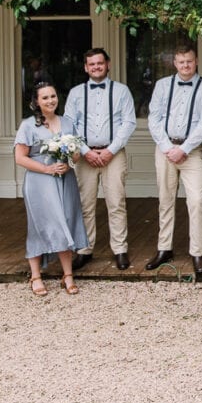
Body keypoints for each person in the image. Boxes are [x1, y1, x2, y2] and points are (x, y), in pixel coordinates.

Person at [63, 47, 136, 271]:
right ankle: (85, 249)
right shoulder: (76, 93)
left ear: (108, 64)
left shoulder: (122, 91)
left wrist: (110, 150)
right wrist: (86, 151)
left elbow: (129, 122)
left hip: (113, 154)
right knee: (85, 204)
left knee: (116, 203)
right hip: (85, 156)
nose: (96, 67)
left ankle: (120, 250)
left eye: (100, 63)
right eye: (92, 64)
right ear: (86, 67)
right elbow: (68, 124)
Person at [14, 81, 88, 297]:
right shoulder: (28, 125)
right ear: (36, 102)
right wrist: (47, 169)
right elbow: (20, 158)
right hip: (40, 182)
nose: (50, 100)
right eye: (45, 97)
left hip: (65, 180)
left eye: (53, 96)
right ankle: (36, 276)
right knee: (40, 225)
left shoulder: (67, 123)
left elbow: (76, 154)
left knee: (65, 221)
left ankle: (68, 275)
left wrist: (71, 157)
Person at [147, 42, 202, 275]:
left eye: (189, 61)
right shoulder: (162, 85)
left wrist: (183, 148)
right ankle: (164, 248)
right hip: (165, 150)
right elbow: (153, 119)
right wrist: (168, 147)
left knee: (196, 201)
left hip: (191, 151)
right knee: (165, 200)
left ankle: (197, 252)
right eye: (181, 61)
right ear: (174, 63)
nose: (185, 65)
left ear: (196, 62)